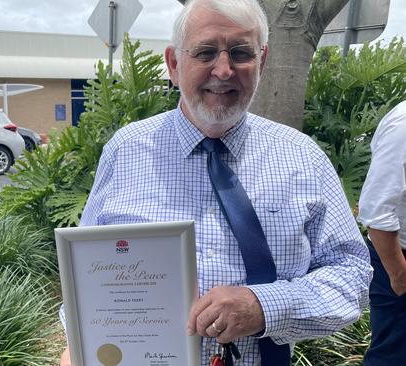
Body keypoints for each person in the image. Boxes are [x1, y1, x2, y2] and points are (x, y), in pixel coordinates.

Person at [60, 0, 371, 365]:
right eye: (206, 52)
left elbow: (352, 274)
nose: (223, 70)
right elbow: (85, 272)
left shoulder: (303, 158)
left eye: (240, 53)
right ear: (174, 65)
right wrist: (78, 343)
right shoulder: (126, 151)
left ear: (262, 61)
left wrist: (264, 306)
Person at [358, 101, 406, 366]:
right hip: (397, 256)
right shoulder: (404, 124)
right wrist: (399, 276)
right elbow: (376, 211)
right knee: (394, 356)